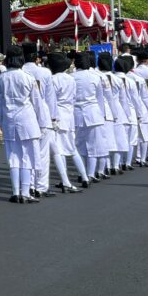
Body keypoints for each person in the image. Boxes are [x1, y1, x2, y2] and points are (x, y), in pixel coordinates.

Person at [0, 47, 43, 203]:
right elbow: (37, 103)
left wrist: (0, 123)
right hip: (27, 120)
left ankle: (15, 192)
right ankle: (26, 192)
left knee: (13, 157)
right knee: (27, 156)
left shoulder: (1, 79)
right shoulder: (28, 78)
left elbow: (0, 104)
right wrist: (42, 123)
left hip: (9, 120)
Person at [47, 52, 89, 191]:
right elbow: (74, 97)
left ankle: (65, 180)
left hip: (58, 114)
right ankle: (84, 176)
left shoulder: (53, 79)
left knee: (58, 150)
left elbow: (51, 100)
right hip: (69, 114)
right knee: (71, 148)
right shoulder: (71, 78)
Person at [21, 44, 55, 198]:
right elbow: (50, 97)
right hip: (42, 114)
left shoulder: (19, 72)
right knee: (42, 153)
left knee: (26, 152)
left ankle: (29, 185)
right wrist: (53, 117)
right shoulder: (45, 72)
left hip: (24, 115)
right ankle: (41, 186)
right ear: (37, 57)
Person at [73, 50, 109, 182]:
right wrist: (102, 114)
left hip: (76, 113)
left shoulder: (71, 77)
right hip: (93, 113)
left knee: (79, 145)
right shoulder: (95, 77)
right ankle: (90, 173)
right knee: (93, 145)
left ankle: (82, 173)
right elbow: (100, 98)